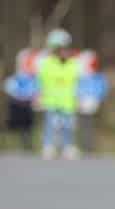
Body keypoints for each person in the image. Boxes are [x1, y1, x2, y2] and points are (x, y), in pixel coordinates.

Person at [37, 28, 80, 160]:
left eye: (66, 49)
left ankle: (68, 147)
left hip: (68, 101)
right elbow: (41, 82)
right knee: (50, 125)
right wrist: (39, 95)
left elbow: (78, 82)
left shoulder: (74, 64)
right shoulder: (47, 64)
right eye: (61, 49)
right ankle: (48, 146)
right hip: (51, 100)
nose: (64, 52)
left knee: (69, 126)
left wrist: (79, 97)